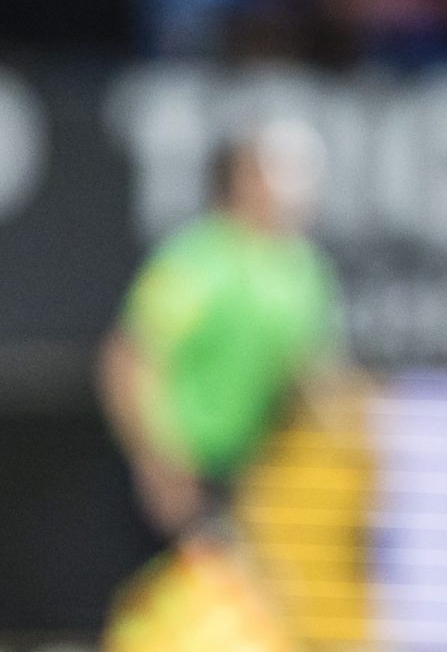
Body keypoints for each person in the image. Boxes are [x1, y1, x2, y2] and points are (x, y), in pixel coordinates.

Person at [98, 121, 345, 650]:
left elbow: (310, 382)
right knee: (150, 614)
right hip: (173, 470)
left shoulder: (303, 271)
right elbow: (128, 359)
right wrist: (158, 461)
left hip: (245, 481)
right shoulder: (198, 258)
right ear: (243, 179)